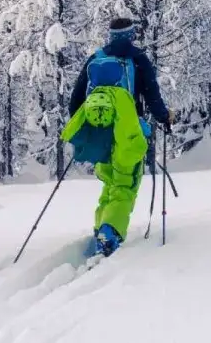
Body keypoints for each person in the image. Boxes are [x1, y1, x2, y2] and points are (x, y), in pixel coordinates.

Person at [67, 18, 175, 256]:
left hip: (100, 134)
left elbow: (75, 102)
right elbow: (153, 96)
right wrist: (165, 118)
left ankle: (101, 228)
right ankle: (110, 231)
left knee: (110, 182)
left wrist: (88, 129)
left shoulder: (96, 58)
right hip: (128, 133)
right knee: (125, 184)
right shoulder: (138, 59)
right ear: (131, 35)